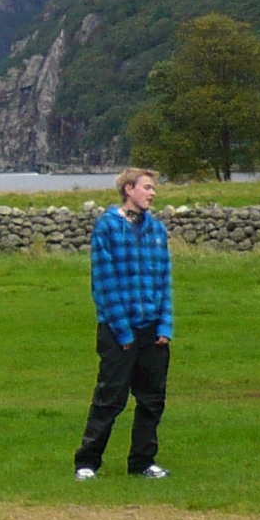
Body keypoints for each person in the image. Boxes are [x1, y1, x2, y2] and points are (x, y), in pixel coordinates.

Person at [78, 167, 172, 480]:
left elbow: (164, 281)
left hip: (152, 330)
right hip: (119, 331)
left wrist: (165, 327)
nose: (152, 193)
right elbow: (104, 284)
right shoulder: (107, 227)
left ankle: (143, 461)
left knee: (152, 400)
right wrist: (122, 331)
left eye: (153, 188)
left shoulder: (157, 230)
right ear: (129, 190)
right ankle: (87, 462)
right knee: (110, 398)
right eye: (147, 187)